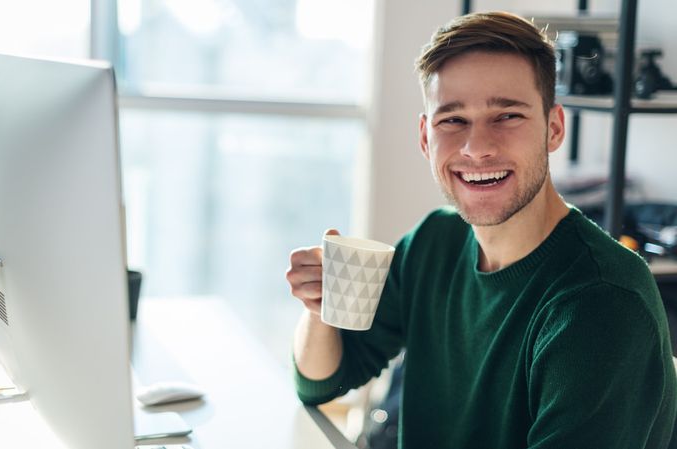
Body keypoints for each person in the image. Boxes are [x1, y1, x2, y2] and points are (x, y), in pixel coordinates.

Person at [285, 11, 677, 448]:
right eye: (452, 120)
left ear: (553, 128)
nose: (477, 148)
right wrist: (320, 310)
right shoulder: (434, 241)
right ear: (424, 138)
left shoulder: (602, 303)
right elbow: (323, 384)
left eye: (507, 116)